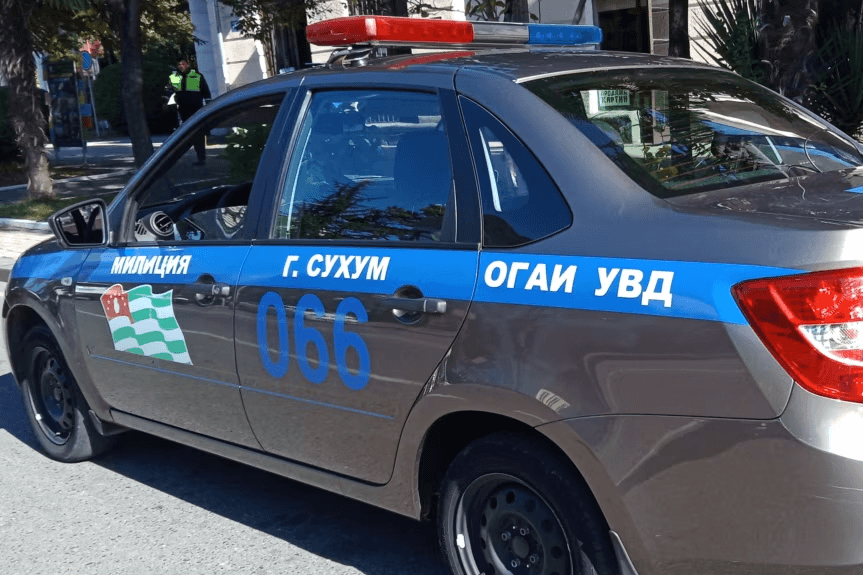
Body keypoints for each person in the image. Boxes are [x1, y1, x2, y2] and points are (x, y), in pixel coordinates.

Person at [169, 59, 211, 165]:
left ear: (188, 65)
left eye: (183, 64)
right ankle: (185, 157)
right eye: (179, 64)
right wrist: (167, 102)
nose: (181, 66)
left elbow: (205, 90)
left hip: (196, 108)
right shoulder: (174, 77)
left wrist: (208, 104)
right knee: (187, 133)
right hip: (183, 109)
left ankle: (201, 158)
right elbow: (169, 90)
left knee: (197, 133)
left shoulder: (197, 76)